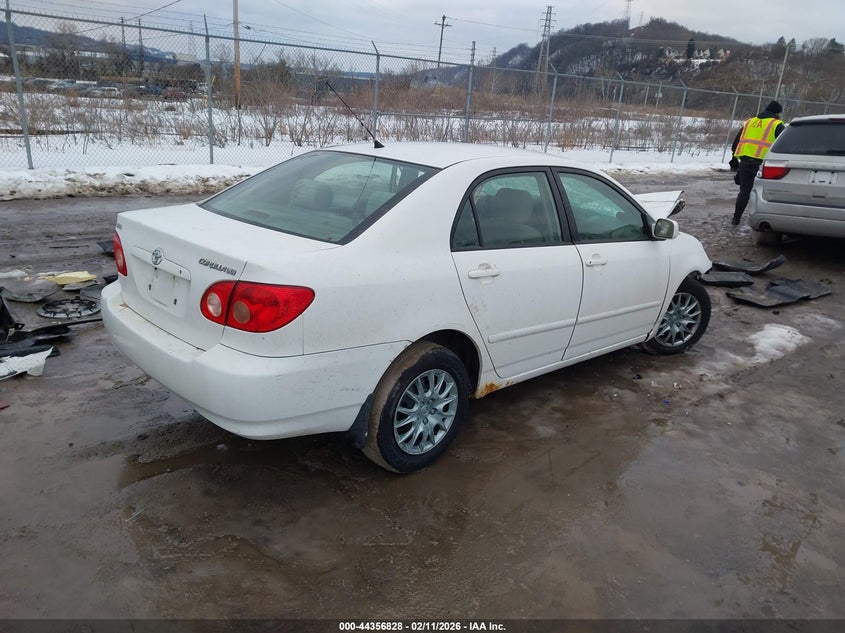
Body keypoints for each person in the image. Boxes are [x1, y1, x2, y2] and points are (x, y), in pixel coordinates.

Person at [730, 100, 785, 225]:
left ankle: (736, 219)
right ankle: (763, 220)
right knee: (764, 193)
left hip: (745, 161)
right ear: (777, 113)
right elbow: (784, 142)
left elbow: (737, 141)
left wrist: (734, 159)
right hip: (763, 164)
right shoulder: (776, 124)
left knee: (744, 191)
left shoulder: (750, 121)